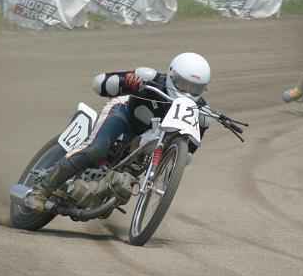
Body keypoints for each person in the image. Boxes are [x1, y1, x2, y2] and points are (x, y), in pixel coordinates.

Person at [27, 52, 212, 211]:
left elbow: (187, 152)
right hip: (124, 115)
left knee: (130, 178)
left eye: (195, 88)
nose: (188, 92)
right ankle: (41, 190)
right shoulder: (152, 80)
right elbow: (99, 83)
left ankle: (104, 190)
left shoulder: (201, 112)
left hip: (146, 144)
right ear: (172, 75)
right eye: (183, 85)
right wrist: (130, 82)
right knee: (96, 149)